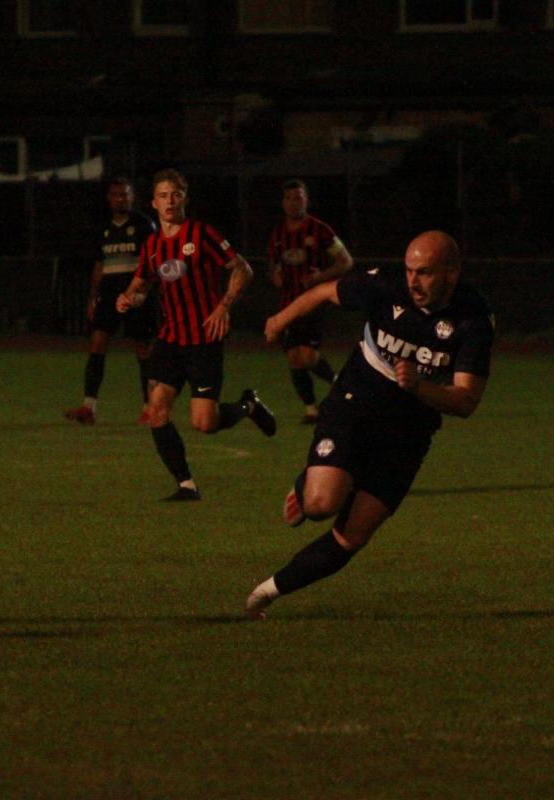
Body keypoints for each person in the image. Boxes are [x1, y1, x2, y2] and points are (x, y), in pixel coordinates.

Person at [245, 230, 494, 618]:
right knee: (320, 504)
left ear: (452, 272)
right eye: (410, 270)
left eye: (425, 273)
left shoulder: (474, 318)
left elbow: (466, 401)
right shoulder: (385, 286)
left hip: (409, 435)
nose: (413, 281)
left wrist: (419, 387)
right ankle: (307, 483)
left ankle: (265, 593)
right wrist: (279, 320)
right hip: (355, 408)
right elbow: (324, 292)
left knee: (353, 536)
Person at [115, 168, 276, 502]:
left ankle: (247, 406)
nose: (170, 201)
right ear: (154, 203)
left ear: (185, 198)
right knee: (157, 409)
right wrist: (128, 298)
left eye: (176, 194)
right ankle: (186, 484)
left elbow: (243, 268)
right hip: (171, 340)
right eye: (163, 195)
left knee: (205, 423)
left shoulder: (201, 234)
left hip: (203, 340)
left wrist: (224, 306)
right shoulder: (152, 246)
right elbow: (141, 286)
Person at [64, 176, 157, 425]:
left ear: (132, 197)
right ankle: (88, 407)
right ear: (109, 198)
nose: (120, 199)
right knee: (96, 344)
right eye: (115, 195)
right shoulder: (103, 228)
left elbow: (152, 263)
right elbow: (99, 265)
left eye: (124, 194)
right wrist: (92, 298)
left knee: (143, 349)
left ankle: (150, 408)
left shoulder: (143, 225)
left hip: (134, 294)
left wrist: (143, 292)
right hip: (108, 294)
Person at [267, 179, 353, 423]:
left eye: (298, 197)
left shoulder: (320, 230)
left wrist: (320, 277)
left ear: (307, 200)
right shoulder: (278, 233)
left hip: (313, 302)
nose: (293, 203)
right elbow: (273, 265)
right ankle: (311, 410)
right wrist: (275, 275)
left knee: (307, 356)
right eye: (289, 198)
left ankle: (338, 383)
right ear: (283, 203)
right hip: (287, 304)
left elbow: (346, 261)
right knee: (294, 358)